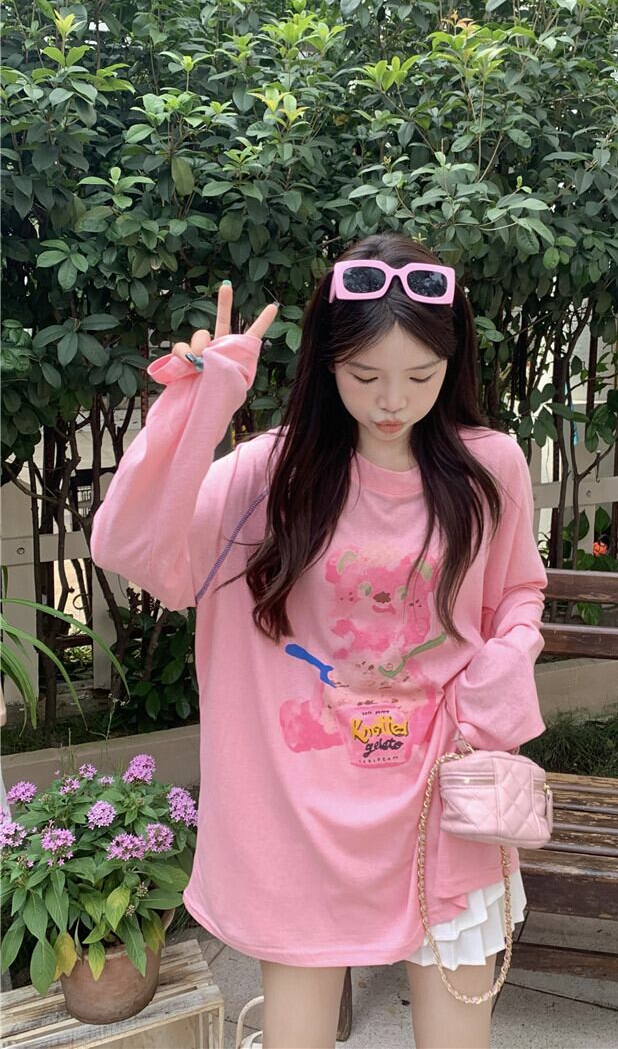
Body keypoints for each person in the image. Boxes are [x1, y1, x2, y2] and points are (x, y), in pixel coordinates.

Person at [90, 231, 548, 1048]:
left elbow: (519, 589)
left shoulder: (490, 467)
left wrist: (498, 676)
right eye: (366, 375)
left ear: (452, 364)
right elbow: (131, 548)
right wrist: (201, 406)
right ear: (327, 362)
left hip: (443, 799)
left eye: (421, 376)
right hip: (296, 814)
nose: (392, 400)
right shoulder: (271, 475)